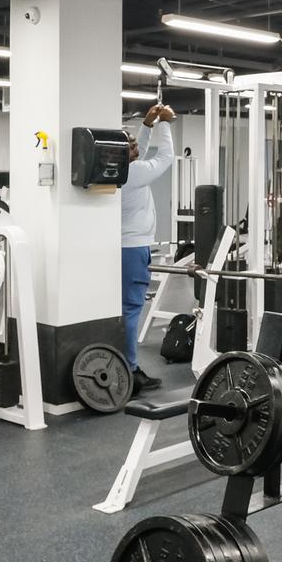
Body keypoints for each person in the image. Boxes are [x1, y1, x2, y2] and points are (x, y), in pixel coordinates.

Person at [121, 102, 176, 394]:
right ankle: (130, 370)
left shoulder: (115, 171)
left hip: (119, 248)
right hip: (132, 249)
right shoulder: (134, 173)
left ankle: (123, 364)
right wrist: (165, 123)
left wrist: (146, 125)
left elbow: (133, 153)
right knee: (131, 310)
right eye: (130, 147)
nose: (136, 149)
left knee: (120, 310)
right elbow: (166, 157)